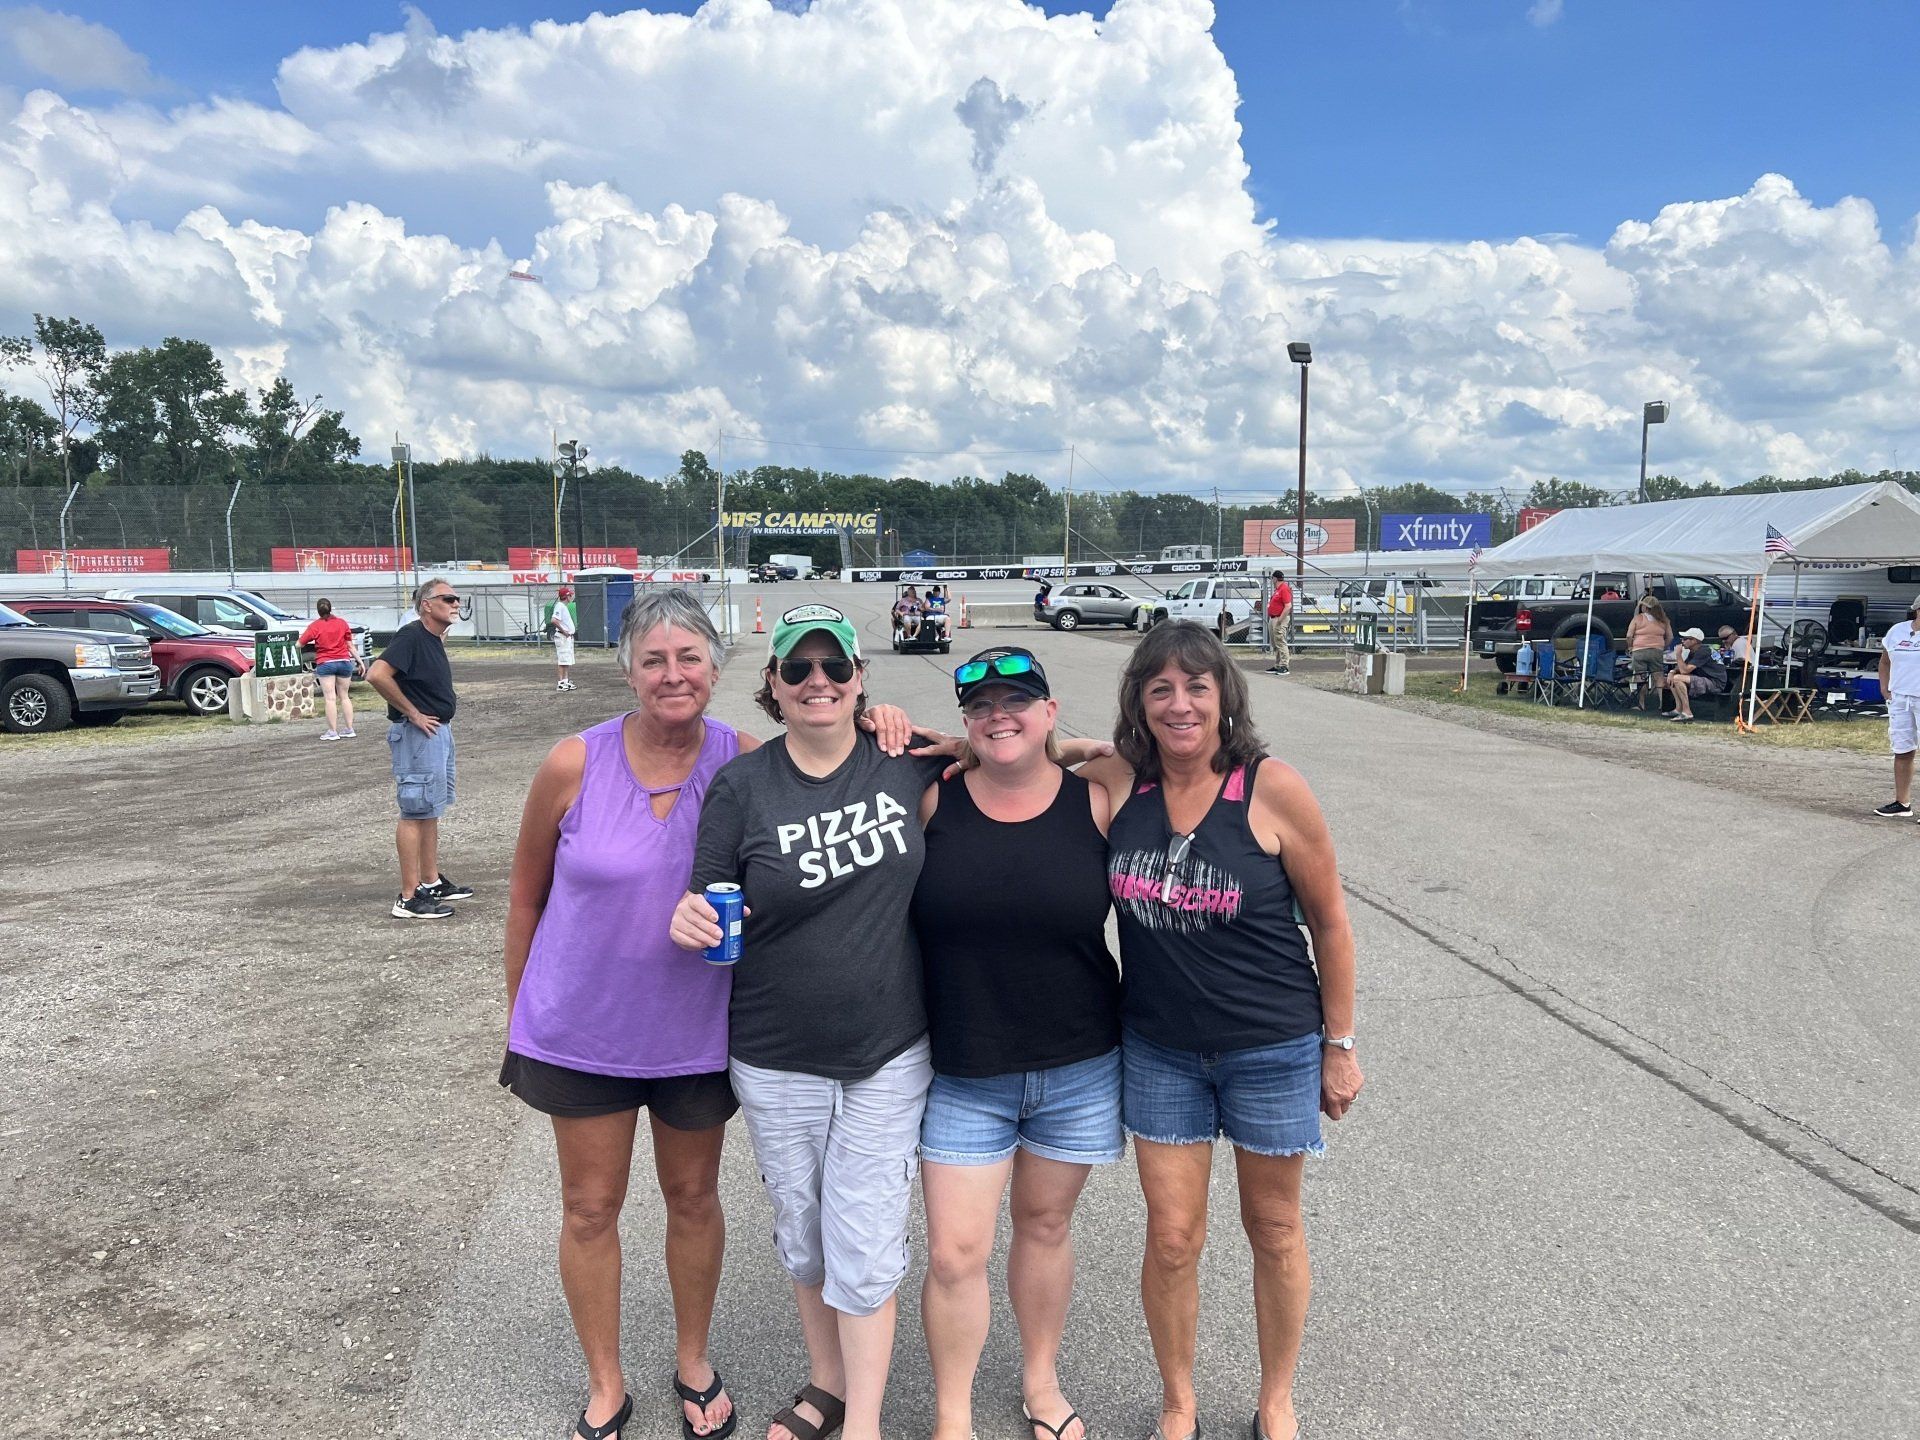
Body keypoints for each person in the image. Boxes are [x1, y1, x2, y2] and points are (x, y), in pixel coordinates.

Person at [506, 591, 917, 1440]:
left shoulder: (745, 760)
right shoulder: (572, 763)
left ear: (720, 669)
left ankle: (693, 1360)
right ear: (627, 669)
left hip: (697, 1030)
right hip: (582, 1030)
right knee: (589, 1208)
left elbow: (829, 765)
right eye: (653, 659)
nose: (672, 675)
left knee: (693, 1199)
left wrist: (887, 727)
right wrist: (522, 1013)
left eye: (689, 658)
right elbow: (523, 897)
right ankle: (605, 1381)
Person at [671, 604, 951, 1440]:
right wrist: (688, 919)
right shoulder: (743, 786)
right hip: (774, 1053)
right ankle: (827, 1386)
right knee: (804, 1237)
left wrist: (911, 725)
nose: (818, 682)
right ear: (773, 685)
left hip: (887, 1053)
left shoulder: (905, 764)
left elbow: (1006, 754)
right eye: (799, 669)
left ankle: (860, 1423)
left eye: (836, 668)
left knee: (862, 1244)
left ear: (862, 680)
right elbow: (706, 891)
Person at [1077, 622, 1362, 1440]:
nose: (1180, 703)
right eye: (1160, 688)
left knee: (1273, 1228)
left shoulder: (1272, 787)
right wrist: (965, 736)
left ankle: (1276, 1398)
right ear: (1139, 700)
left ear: (1224, 697)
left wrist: (1338, 1047)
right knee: (1172, 1238)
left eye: (1197, 687)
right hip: (1160, 1047)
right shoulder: (1121, 780)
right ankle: (1179, 1399)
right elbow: (1035, 750)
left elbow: (1331, 924)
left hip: (1271, 1046)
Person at [912, 647, 1119, 1440]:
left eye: (1018, 702)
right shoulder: (932, 799)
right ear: (966, 720)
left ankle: (1040, 1382)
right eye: (983, 706)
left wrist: (1068, 753)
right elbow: (840, 749)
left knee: (1044, 1229)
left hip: (1078, 1065)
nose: (1001, 715)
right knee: (955, 1254)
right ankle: (952, 1415)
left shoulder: (1100, 797)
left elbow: (1180, 744)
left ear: (1050, 708)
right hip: (964, 1068)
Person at [366, 578, 475, 919]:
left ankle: (430, 882)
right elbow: (376, 674)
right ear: (427, 604)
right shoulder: (412, 635)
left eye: (457, 598)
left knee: (430, 808)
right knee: (414, 811)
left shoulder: (432, 638)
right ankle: (408, 898)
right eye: (448, 598)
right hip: (418, 736)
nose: (456, 603)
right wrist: (412, 713)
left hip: (438, 732)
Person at [1873, 595, 1920, 819]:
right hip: (1900, 698)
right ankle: (1903, 803)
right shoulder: (1897, 631)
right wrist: (1885, 687)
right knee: (1902, 750)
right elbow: (1885, 661)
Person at [300, 597, 358, 739]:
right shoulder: (342, 623)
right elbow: (350, 645)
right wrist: (360, 662)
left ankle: (332, 731)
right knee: (344, 696)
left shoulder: (315, 626)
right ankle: (349, 729)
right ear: (331, 608)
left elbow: (300, 643)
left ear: (318, 611)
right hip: (344, 662)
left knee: (330, 698)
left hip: (326, 663)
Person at [1663, 627, 1728, 724]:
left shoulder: (1703, 651)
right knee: (1674, 678)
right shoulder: (1694, 651)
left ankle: (1687, 712)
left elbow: (1684, 671)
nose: (1682, 641)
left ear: (1694, 641)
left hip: (1714, 682)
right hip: (1705, 679)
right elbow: (1683, 666)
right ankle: (1678, 709)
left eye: (1685, 639)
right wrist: (1672, 672)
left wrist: (1678, 654)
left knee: (1677, 678)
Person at [1624, 596, 1673, 711]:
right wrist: (1662, 646)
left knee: (1640, 677)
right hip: (1657, 651)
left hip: (1639, 650)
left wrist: (1630, 646)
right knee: (1658, 676)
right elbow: (1670, 637)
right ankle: (1663, 704)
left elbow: (1629, 635)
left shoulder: (1638, 618)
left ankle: (1641, 704)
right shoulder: (1664, 620)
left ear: (1645, 607)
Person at [551, 584, 579, 692]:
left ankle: (565, 680)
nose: (571, 597)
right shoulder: (560, 606)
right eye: (570, 595)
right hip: (562, 637)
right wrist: (564, 631)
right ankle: (561, 682)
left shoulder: (563, 607)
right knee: (563, 660)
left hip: (566, 637)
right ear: (567, 596)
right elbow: (554, 620)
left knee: (566, 659)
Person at [1264, 576, 1293, 675]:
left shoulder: (1284, 589)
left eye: (1272, 578)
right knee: (1275, 643)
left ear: (1275, 579)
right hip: (1273, 618)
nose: (1272, 581)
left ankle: (1284, 666)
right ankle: (1278, 665)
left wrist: (1280, 620)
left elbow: (1288, 606)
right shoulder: (1278, 590)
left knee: (1280, 641)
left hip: (1279, 619)